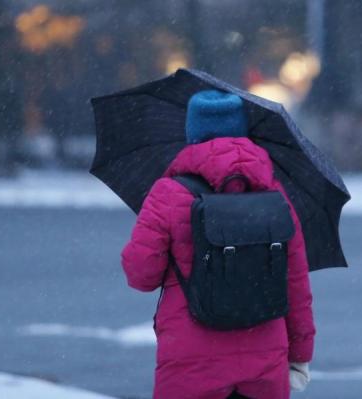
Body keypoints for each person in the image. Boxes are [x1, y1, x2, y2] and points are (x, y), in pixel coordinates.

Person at [121, 90, 315, 399]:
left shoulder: (168, 193)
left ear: (192, 132)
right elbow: (296, 284)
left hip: (190, 360)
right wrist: (301, 353)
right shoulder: (276, 197)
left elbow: (140, 275)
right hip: (265, 358)